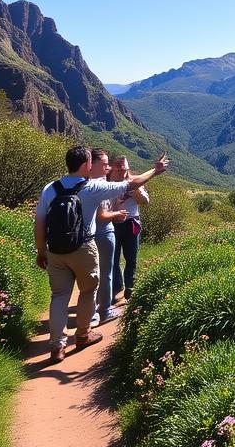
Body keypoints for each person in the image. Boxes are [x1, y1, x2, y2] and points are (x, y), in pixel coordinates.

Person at [34, 145, 169, 364]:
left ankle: (57, 347)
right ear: (87, 164)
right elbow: (132, 183)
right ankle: (82, 335)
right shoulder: (93, 187)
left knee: (59, 296)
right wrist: (155, 170)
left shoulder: (50, 188)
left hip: (55, 250)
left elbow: (39, 223)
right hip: (84, 249)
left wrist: (41, 251)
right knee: (88, 291)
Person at [89, 149, 129, 324]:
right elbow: (101, 215)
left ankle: (90, 314)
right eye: (105, 164)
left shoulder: (74, 184)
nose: (108, 167)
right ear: (92, 164)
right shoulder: (97, 185)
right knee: (105, 273)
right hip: (102, 233)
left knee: (90, 275)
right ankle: (103, 310)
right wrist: (116, 214)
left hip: (84, 237)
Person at [109, 155, 148, 303]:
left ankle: (130, 290)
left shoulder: (135, 183)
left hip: (131, 222)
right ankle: (116, 288)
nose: (121, 171)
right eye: (118, 168)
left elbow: (145, 201)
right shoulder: (108, 184)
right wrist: (116, 203)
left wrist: (135, 190)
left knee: (131, 258)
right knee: (113, 259)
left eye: (124, 168)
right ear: (113, 168)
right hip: (112, 223)